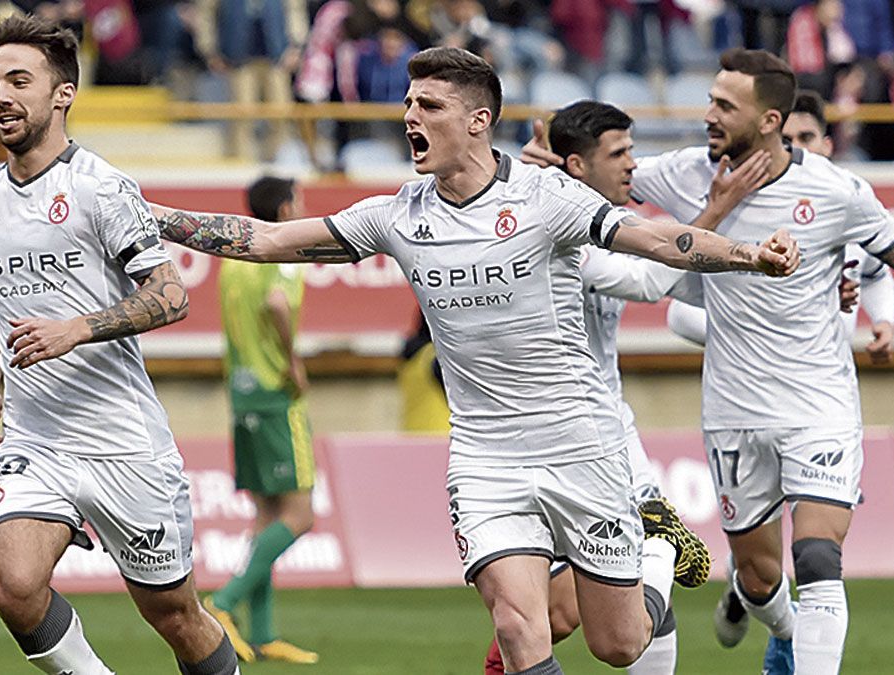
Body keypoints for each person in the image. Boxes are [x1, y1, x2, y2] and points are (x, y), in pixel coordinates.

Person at [151, 46, 801, 674]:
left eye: (428, 105)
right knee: (520, 628)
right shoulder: (396, 216)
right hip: (485, 459)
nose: (410, 117)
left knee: (618, 644)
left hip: (581, 447)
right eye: (407, 103)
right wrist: (151, 216)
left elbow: (657, 239)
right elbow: (264, 239)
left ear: (478, 121)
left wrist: (749, 255)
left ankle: (655, 551)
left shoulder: (545, 199)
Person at [524, 48, 894, 675]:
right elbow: (605, 179)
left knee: (819, 558)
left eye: (723, 105)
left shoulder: (836, 191)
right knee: (759, 574)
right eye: (711, 99)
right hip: (733, 410)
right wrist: (545, 172)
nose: (708, 114)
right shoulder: (685, 172)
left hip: (818, 403)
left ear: (769, 119)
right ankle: (784, 630)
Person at [0, 15, 238, 675]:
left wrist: (77, 327)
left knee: (174, 614)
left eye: (19, 80)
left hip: (123, 440)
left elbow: (172, 294)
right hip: (35, 438)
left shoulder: (104, 189)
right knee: (11, 582)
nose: (0, 95)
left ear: (63, 94)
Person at [482, 99, 770, 675]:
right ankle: (658, 543)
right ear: (577, 166)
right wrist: (715, 208)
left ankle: (654, 545)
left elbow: (677, 287)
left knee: (571, 616)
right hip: (538, 440)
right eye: (619, 154)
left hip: (600, 434)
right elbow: (648, 279)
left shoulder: (603, 225)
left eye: (632, 150)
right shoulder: (554, 229)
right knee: (552, 613)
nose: (633, 165)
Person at [668, 89, 894, 366]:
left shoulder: (852, 208)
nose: (798, 148)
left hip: (829, 391)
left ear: (827, 146)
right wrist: (779, 331)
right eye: (787, 140)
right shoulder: (745, 214)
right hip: (753, 388)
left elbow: (875, 275)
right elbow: (680, 314)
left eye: (807, 138)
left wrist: (884, 320)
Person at [202, 176, 319, 665]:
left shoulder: (235, 260)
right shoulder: (282, 253)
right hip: (275, 397)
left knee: (266, 518)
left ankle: (264, 633)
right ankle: (223, 602)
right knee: (299, 515)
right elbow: (276, 304)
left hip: (242, 395)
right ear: (288, 207)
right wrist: (292, 359)